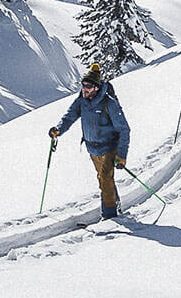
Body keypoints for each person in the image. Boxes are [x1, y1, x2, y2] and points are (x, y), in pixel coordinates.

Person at [49, 63, 131, 220]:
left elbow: (124, 129)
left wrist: (121, 155)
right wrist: (58, 130)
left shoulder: (109, 103)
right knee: (103, 179)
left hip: (109, 147)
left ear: (97, 88)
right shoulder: (81, 101)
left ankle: (109, 217)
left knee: (106, 179)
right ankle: (115, 204)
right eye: (83, 85)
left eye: (88, 86)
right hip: (92, 149)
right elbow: (69, 117)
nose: (84, 89)